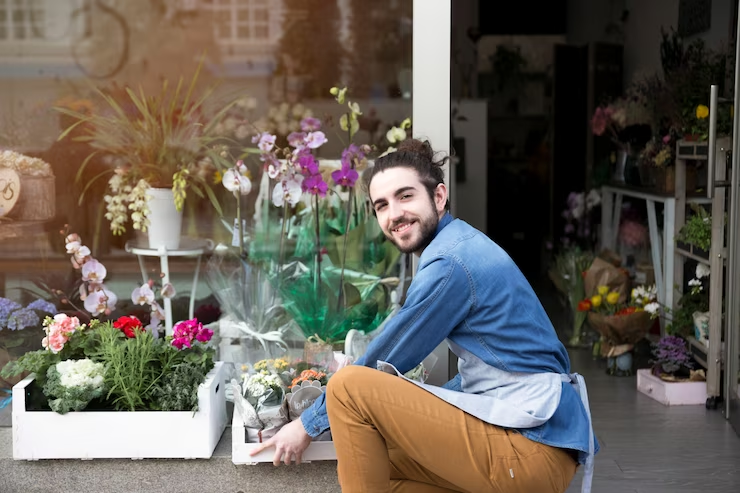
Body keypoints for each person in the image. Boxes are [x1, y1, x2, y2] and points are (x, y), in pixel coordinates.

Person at [250, 138, 597, 493]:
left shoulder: (451, 263)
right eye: (381, 205)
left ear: (439, 197)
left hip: (529, 448)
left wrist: (306, 425)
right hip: (535, 442)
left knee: (347, 387)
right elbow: (489, 374)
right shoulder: (459, 245)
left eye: (405, 196)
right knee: (378, 461)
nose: (394, 214)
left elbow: (387, 356)